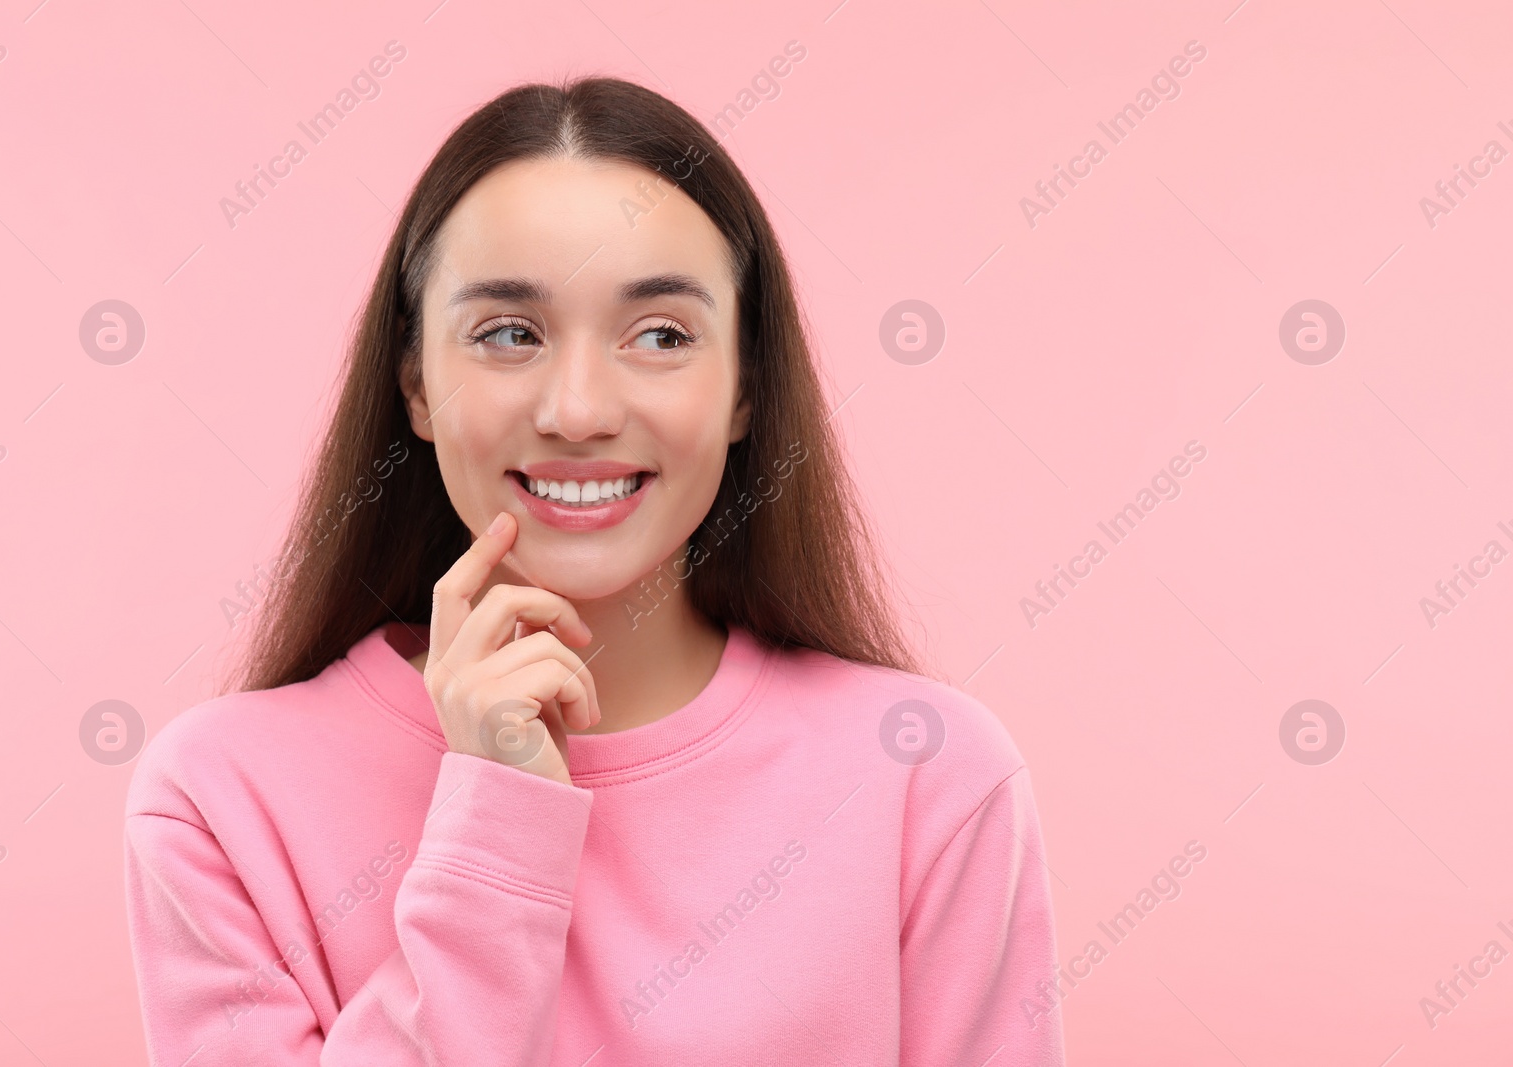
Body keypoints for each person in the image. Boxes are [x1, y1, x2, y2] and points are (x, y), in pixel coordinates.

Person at [123, 75, 1066, 1065]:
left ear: (746, 384)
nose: (577, 408)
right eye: (508, 333)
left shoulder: (926, 775)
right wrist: (496, 814)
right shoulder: (219, 799)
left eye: (660, 334)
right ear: (415, 385)